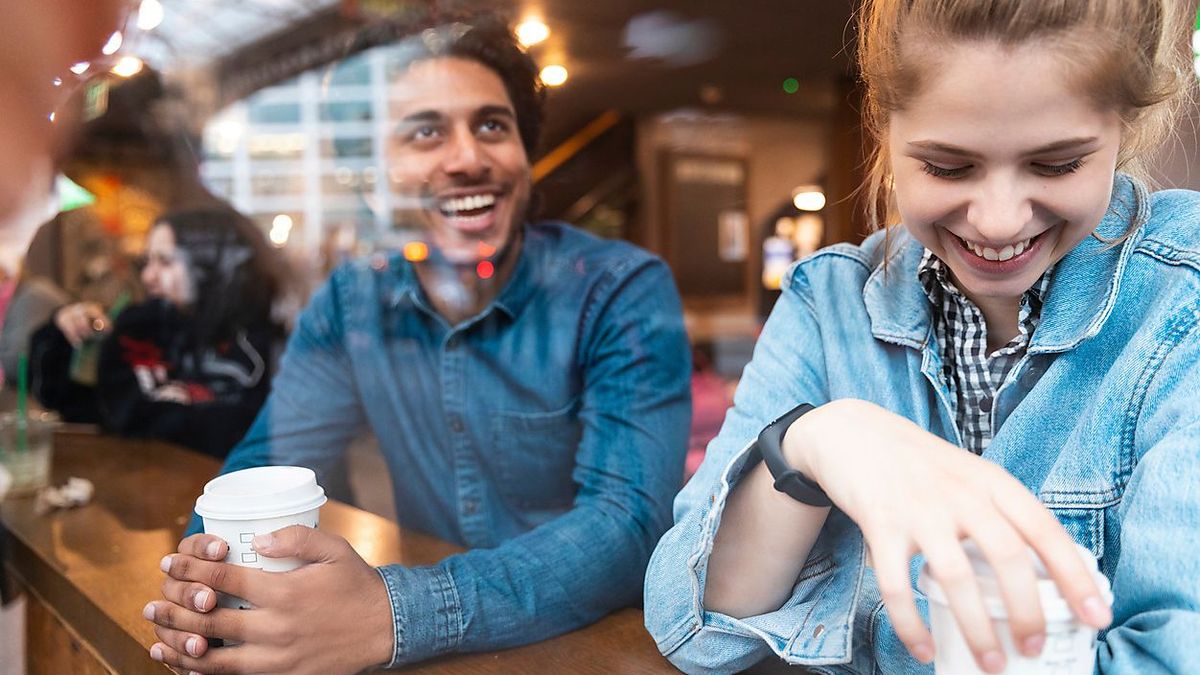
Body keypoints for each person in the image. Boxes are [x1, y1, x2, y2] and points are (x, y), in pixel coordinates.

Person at [644, 0, 1200, 673]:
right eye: (948, 167)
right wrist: (816, 441)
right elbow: (690, 622)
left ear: (1126, 126)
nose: (998, 222)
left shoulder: (1183, 300)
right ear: (883, 126)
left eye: (1055, 165)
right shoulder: (827, 304)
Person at [142, 16, 691, 673]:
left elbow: (627, 526)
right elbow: (265, 463)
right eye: (425, 131)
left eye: (492, 125)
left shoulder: (617, 289)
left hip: (603, 651)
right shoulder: (351, 305)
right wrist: (207, 586)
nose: (467, 157)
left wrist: (395, 611)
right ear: (371, 176)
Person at [29, 207, 286, 457]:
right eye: (147, 261)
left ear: (211, 266)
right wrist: (62, 335)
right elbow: (79, 406)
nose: (147, 276)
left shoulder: (261, 346)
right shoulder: (142, 326)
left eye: (165, 261)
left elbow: (244, 434)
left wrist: (144, 416)